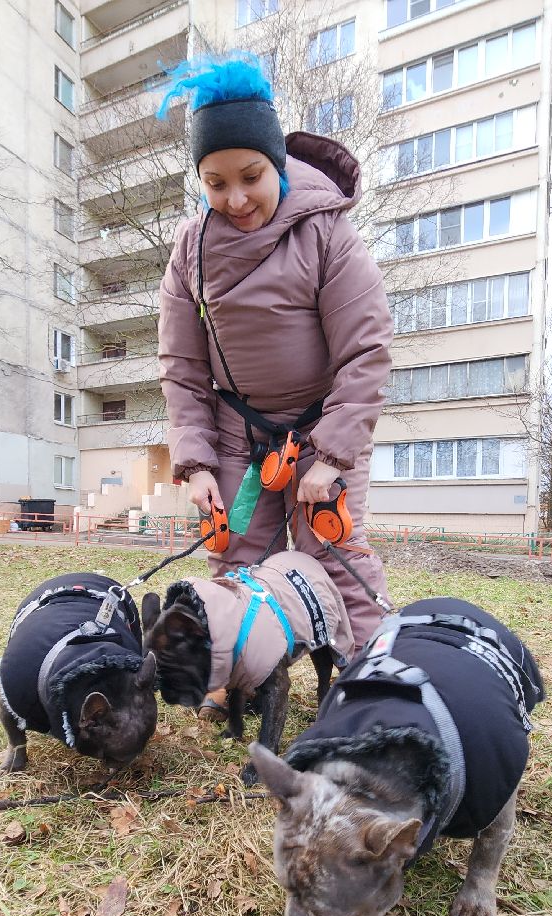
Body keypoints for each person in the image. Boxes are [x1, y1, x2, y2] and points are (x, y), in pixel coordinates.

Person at [155, 54, 394, 716]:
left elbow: (366, 349)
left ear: (276, 164)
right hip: (238, 436)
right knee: (234, 562)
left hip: (320, 435)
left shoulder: (327, 233)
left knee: (336, 556)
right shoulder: (190, 250)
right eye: (215, 182)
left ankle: (366, 685)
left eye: (251, 176)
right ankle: (239, 682)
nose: (236, 199)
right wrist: (196, 461)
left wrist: (332, 455)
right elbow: (182, 366)